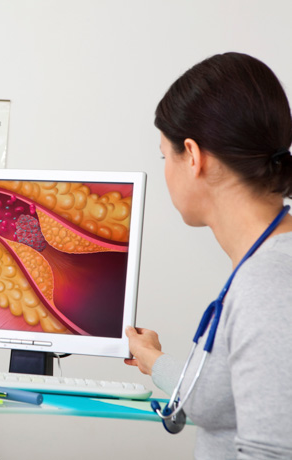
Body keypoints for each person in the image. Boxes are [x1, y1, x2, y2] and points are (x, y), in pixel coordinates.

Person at [124, 52, 292, 458]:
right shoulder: (262, 265)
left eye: (165, 157)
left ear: (193, 156)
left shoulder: (268, 286)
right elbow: (224, 398)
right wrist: (153, 359)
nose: (166, 169)